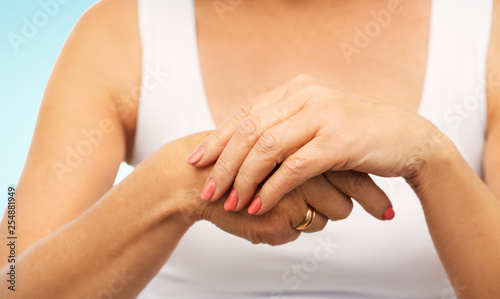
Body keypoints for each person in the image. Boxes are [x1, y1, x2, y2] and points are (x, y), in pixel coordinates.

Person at [1, 0, 499, 298]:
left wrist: (429, 155)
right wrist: (178, 183)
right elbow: (12, 283)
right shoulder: (121, 30)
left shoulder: (486, 29)